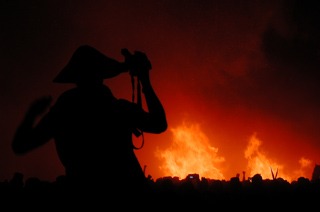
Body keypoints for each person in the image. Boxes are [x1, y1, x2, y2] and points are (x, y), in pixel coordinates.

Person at [12, 45, 167, 199]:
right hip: (129, 193)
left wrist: (31, 114)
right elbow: (159, 123)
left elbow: (21, 145)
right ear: (102, 75)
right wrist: (145, 81)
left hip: (83, 193)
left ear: (76, 77)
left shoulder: (64, 110)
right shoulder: (118, 108)